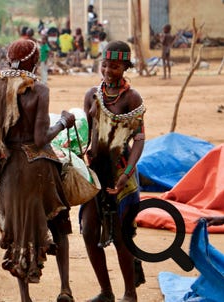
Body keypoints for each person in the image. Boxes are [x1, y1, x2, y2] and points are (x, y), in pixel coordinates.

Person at [0, 38, 75, 302]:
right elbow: (42, 137)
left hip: (11, 170)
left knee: (17, 233)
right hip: (39, 168)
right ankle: (65, 288)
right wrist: (64, 122)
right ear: (34, 61)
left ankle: (25, 297)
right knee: (59, 224)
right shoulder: (39, 90)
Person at [81, 40, 146, 302]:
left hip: (121, 173)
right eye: (105, 65)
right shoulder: (91, 95)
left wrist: (126, 173)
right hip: (96, 173)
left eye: (115, 66)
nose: (108, 70)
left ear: (126, 67)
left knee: (122, 236)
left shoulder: (132, 98)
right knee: (88, 231)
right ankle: (106, 292)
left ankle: (130, 293)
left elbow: (139, 139)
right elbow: (88, 135)